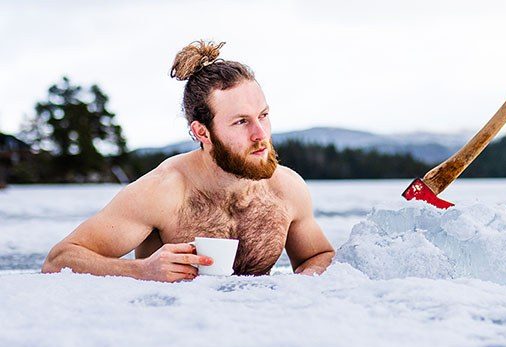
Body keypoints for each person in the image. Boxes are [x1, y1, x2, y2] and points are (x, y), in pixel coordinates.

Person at [42, 40, 335, 282]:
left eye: (263, 116)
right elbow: (59, 260)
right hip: (176, 340)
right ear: (202, 132)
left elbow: (318, 256)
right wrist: (140, 271)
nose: (260, 134)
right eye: (241, 122)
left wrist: (301, 287)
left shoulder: (287, 188)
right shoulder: (163, 192)